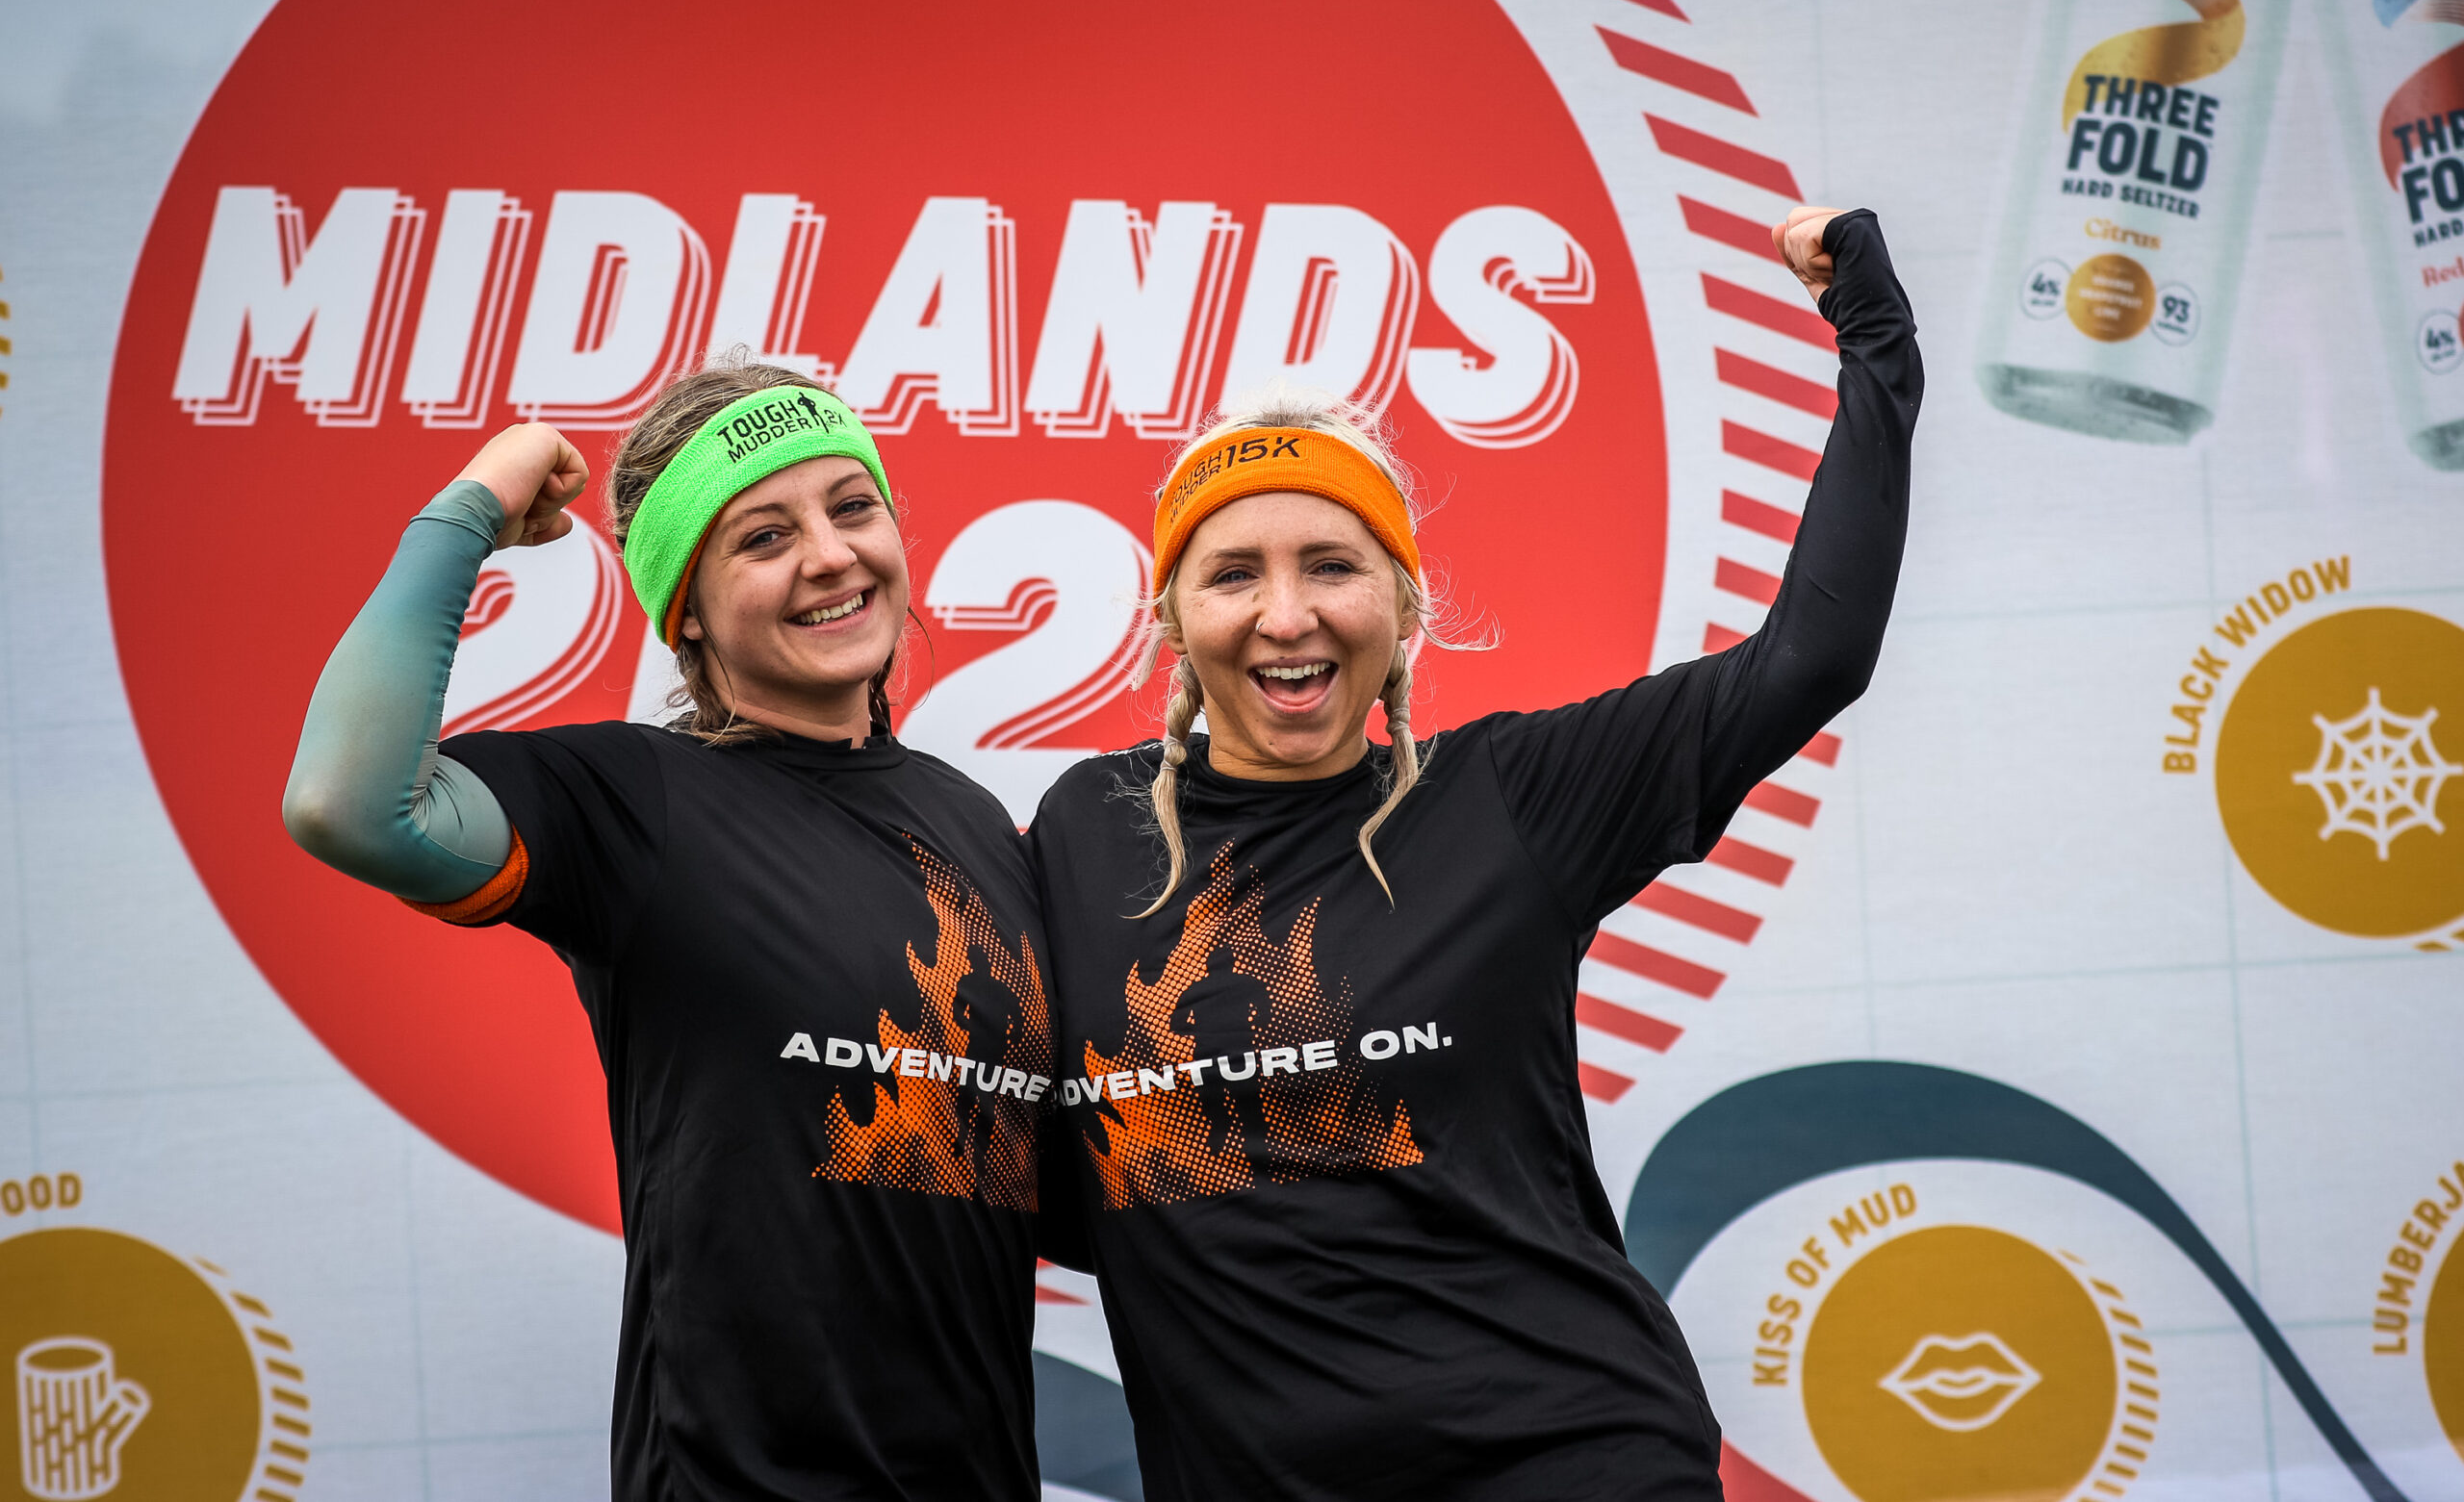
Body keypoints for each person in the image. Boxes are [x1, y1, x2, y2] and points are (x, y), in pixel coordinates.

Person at [1030, 208, 1919, 1499]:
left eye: (1333, 563)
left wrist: (1877, 348)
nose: (1288, 613)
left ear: (1403, 605)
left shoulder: (1513, 795)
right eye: (1234, 573)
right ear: (1173, 614)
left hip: (1568, 1458)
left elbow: (1809, 657)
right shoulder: (1081, 838)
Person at [282, 364, 1057, 1501]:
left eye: (853, 506)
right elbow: (348, 805)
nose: (831, 554)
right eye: (761, 537)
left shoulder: (975, 823)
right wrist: (472, 508)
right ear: (683, 608)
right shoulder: (631, 800)